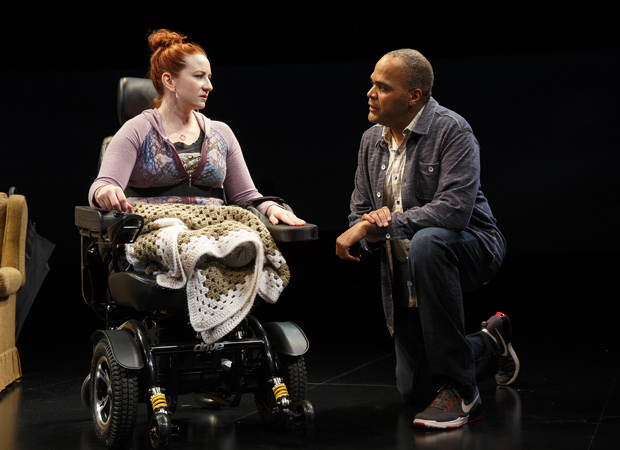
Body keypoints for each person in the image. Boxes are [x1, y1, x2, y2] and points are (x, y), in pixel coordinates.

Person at [335, 49, 519, 430]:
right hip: (405, 266)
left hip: (470, 246)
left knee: (429, 241)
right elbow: (359, 211)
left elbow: (454, 211)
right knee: (414, 390)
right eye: (372, 83)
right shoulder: (371, 140)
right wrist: (368, 223)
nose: (370, 92)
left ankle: (463, 393)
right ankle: (490, 343)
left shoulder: (452, 130)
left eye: (382, 87)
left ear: (414, 96)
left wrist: (380, 225)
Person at [89, 29, 305, 228]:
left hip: (214, 227)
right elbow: (103, 184)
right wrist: (105, 191)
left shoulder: (221, 133)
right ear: (169, 81)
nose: (209, 86)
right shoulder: (136, 130)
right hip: (157, 229)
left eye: (209, 77)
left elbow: (246, 196)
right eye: (199, 76)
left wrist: (271, 207)